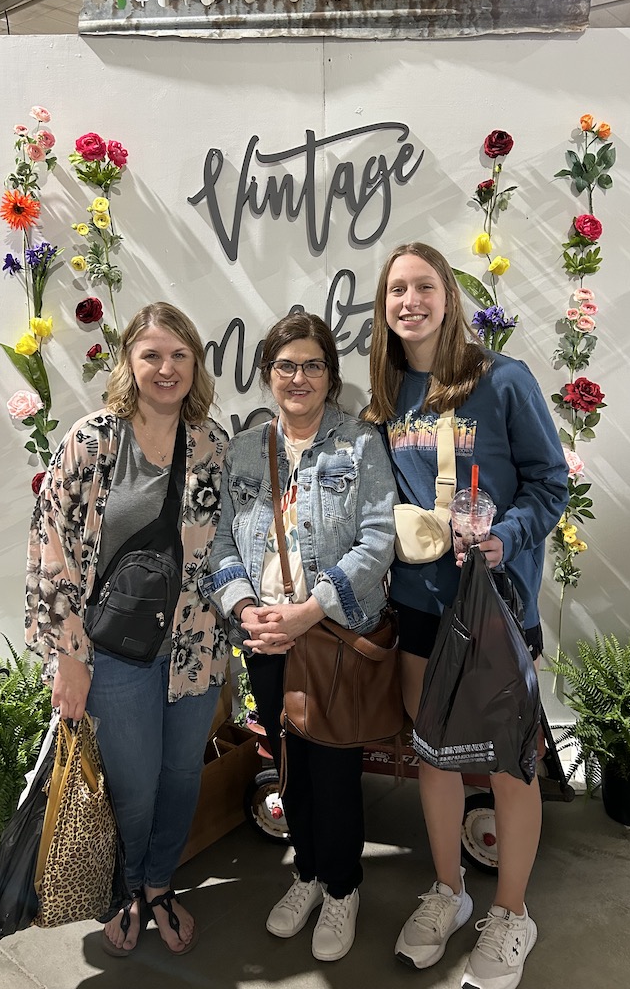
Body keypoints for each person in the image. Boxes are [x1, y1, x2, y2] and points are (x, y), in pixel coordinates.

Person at [363, 243, 568, 989]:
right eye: (396, 290)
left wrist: (504, 539)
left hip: (498, 608)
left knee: (511, 765)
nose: (410, 300)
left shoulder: (504, 381)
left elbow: (550, 484)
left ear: (448, 297)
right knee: (434, 753)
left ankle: (511, 912)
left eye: (423, 286)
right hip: (421, 608)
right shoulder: (388, 397)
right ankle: (448, 892)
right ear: (384, 309)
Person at [25, 302, 228, 958]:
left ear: (194, 363)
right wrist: (68, 657)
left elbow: (228, 548)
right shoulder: (92, 441)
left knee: (179, 780)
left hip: (195, 652)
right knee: (134, 788)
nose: (165, 368)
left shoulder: (213, 445)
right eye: (151, 355)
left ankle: (161, 884)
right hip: (110, 656)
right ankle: (130, 893)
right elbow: (48, 546)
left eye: (178, 355)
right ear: (129, 363)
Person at [201, 312, 397, 963]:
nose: (299, 377)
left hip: (328, 635)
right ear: (267, 375)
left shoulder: (360, 444)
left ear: (331, 377)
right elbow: (222, 541)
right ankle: (307, 873)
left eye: (313, 365)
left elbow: (378, 539)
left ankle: (343, 887)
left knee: (334, 768)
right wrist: (246, 606)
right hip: (265, 637)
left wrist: (310, 611)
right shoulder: (246, 449)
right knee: (288, 765)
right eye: (286, 365)